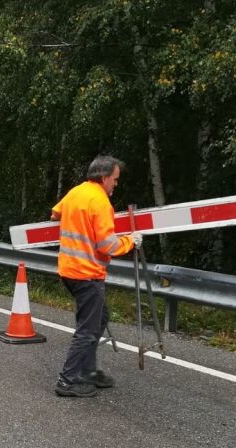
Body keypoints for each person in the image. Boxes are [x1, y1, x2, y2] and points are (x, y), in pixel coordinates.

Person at [51, 155, 141, 397]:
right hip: (87, 274)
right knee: (88, 329)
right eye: (115, 179)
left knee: (100, 319)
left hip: (70, 270)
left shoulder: (76, 192)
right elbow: (107, 246)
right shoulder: (100, 202)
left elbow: (55, 214)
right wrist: (130, 241)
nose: (116, 184)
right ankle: (67, 381)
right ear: (104, 177)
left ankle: (88, 370)